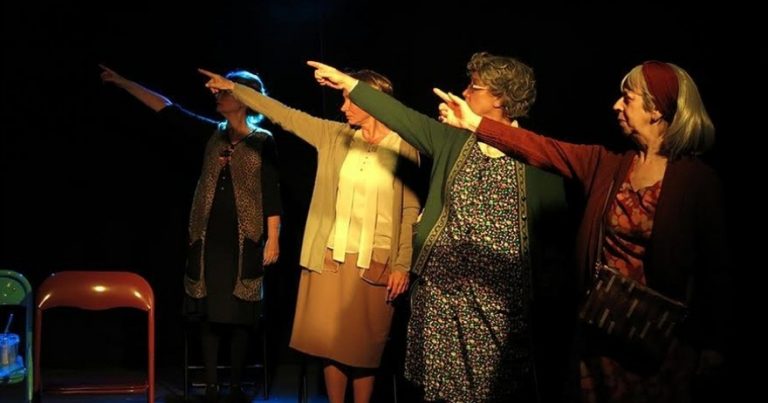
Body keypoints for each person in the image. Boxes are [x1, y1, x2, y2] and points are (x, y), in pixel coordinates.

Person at [433, 60, 729, 402]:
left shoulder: (696, 181)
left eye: (628, 98)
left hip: (656, 341)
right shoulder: (609, 163)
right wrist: (473, 123)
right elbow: (542, 149)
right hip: (601, 328)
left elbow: (716, 270)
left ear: (656, 110)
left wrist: (715, 344)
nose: (616, 105)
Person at [308, 53, 570, 402]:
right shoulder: (453, 140)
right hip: (443, 292)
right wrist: (350, 84)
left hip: (498, 299)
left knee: (497, 387)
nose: (465, 91)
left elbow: (554, 238)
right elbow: (400, 116)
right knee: (442, 388)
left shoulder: (537, 155)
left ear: (500, 98)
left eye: (474, 87)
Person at [199, 67, 420, 403]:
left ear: (371, 100)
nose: (343, 108)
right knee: (330, 346)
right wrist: (235, 88)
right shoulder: (334, 135)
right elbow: (284, 115)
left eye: (349, 100)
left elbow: (409, 210)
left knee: (364, 349)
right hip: (330, 257)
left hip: (376, 260)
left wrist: (402, 264)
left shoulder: (404, 146)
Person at [100, 65, 281, 403]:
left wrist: (274, 238)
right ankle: (211, 387)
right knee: (208, 312)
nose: (217, 97)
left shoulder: (262, 141)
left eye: (225, 92)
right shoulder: (212, 134)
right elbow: (167, 109)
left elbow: (271, 192)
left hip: (245, 240)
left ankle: (235, 387)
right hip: (208, 236)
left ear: (243, 99)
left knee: (241, 315)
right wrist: (124, 82)